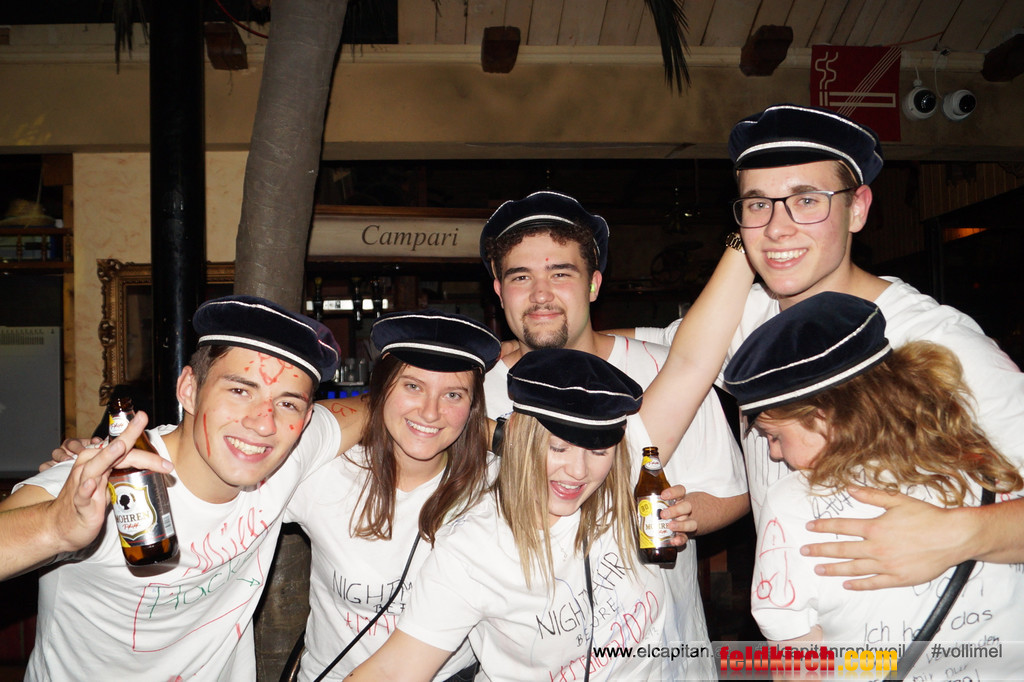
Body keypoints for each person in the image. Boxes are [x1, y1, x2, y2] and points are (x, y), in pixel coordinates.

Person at [632, 103, 1024, 589]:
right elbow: (667, 350)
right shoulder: (745, 318)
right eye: (758, 204)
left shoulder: (933, 339)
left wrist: (958, 535)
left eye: (806, 200)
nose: (777, 227)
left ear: (857, 208)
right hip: (798, 624)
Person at [345, 233, 753, 681]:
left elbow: (693, 360)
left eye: (597, 449)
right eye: (557, 448)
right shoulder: (472, 551)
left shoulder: (618, 476)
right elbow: (394, 670)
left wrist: (747, 231)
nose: (578, 471)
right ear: (515, 437)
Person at [0, 295, 354, 680]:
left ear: (305, 419)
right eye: (239, 391)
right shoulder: (106, 480)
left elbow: (386, 409)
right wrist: (55, 525)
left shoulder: (288, 455)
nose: (263, 423)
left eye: (287, 404)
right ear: (188, 389)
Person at [722, 291, 1024, 678]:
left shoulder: (792, 503)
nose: (775, 454)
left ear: (824, 417)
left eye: (773, 436)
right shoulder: (977, 454)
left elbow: (798, 663)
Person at [285, 309, 500, 681]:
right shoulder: (325, 474)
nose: (430, 412)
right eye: (412, 386)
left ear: (473, 407)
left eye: (453, 394)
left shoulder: (496, 483)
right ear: (381, 389)